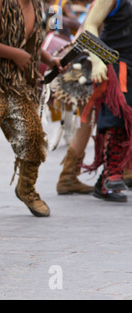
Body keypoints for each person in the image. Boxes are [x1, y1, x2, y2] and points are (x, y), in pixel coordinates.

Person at [0, 0, 66, 217]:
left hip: (17, 83)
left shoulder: (34, 5)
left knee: (33, 136)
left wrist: (50, 59)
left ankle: (26, 188)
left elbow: (28, 43)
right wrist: (13, 54)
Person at [80, 0, 132, 202]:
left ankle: (105, 180)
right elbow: (89, 26)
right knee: (118, 115)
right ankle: (112, 173)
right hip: (117, 63)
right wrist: (97, 59)